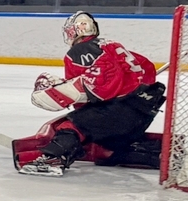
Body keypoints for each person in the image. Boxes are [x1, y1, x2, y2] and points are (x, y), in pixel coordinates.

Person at [15, 11, 164, 175]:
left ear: (75, 31)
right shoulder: (111, 45)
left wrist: (68, 92)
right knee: (107, 149)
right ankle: (155, 154)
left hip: (120, 109)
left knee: (73, 124)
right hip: (144, 112)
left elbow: (102, 84)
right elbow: (148, 69)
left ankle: (53, 159)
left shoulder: (80, 50)